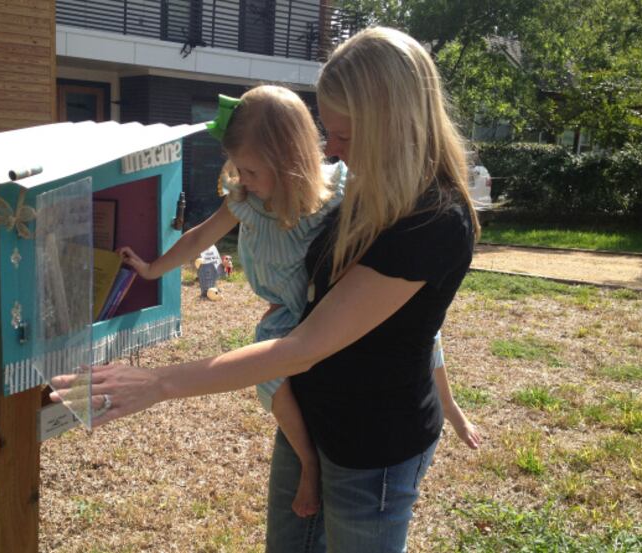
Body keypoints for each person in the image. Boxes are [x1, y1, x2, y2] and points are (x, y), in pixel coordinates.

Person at [54, 26, 480, 552]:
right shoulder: (370, 190)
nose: (332, 149)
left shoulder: (431, 221)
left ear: (395, 124)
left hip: (373, 448)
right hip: (317, 415)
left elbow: (305, 346)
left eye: (345, 133)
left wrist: (160, 383)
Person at [118, 84, 346, 516]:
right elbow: (200, 236)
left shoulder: (335, 192)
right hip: (283, 316)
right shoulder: (245, 200)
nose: (243, 179)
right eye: (238, 168)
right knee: (271, 384)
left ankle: (316, 462)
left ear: (291, 161)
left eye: (253, 171)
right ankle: (308, 460)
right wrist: (152, 269)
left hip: (326, 311)